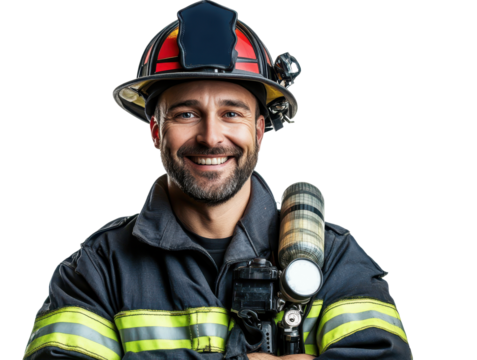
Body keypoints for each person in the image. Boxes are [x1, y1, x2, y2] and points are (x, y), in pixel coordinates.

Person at [23, 1, 412, 359]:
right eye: (187, 114)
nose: (211, 136)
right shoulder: (98, 270)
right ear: (156, 132)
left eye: (231, 113)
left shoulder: (336, 261)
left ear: (260, 130)